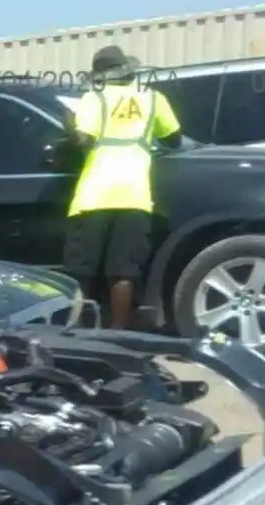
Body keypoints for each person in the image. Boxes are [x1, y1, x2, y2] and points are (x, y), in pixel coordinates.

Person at [62, 46, 181, 329]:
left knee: (83, 271)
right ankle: (118, 331)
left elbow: (84, 141)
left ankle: (79, 329)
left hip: (93, 197)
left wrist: (68, 124)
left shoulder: (94, 99)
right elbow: (173, 139)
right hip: (135, 196)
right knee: (124, 271)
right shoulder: (153, 98)